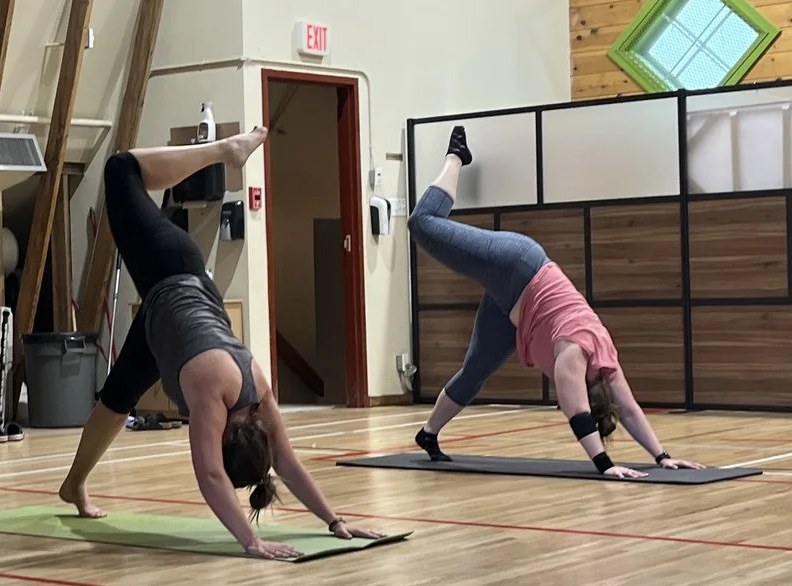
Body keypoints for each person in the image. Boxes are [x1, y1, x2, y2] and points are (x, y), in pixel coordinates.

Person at [57, 126, 367, 560]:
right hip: (170, 268)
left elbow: (287, 463)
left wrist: (334, 520)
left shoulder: (258, 394)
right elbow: (209, 475)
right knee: (120, 168)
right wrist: (251, 540)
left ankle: (74, 485)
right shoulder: (214, 389)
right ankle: (224, 151)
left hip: (164, 324)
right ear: (230, 433)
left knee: (118, 397)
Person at [407, 126, 701, 480]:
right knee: (422, 223)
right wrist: (605, 466)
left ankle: (428, 434)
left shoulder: (607, 368)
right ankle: (456, 156)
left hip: (513, 311)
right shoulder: (573, 356)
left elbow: (630, 410)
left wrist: (662, 456)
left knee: (475, 371)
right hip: (518, 265)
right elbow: (575, 413)